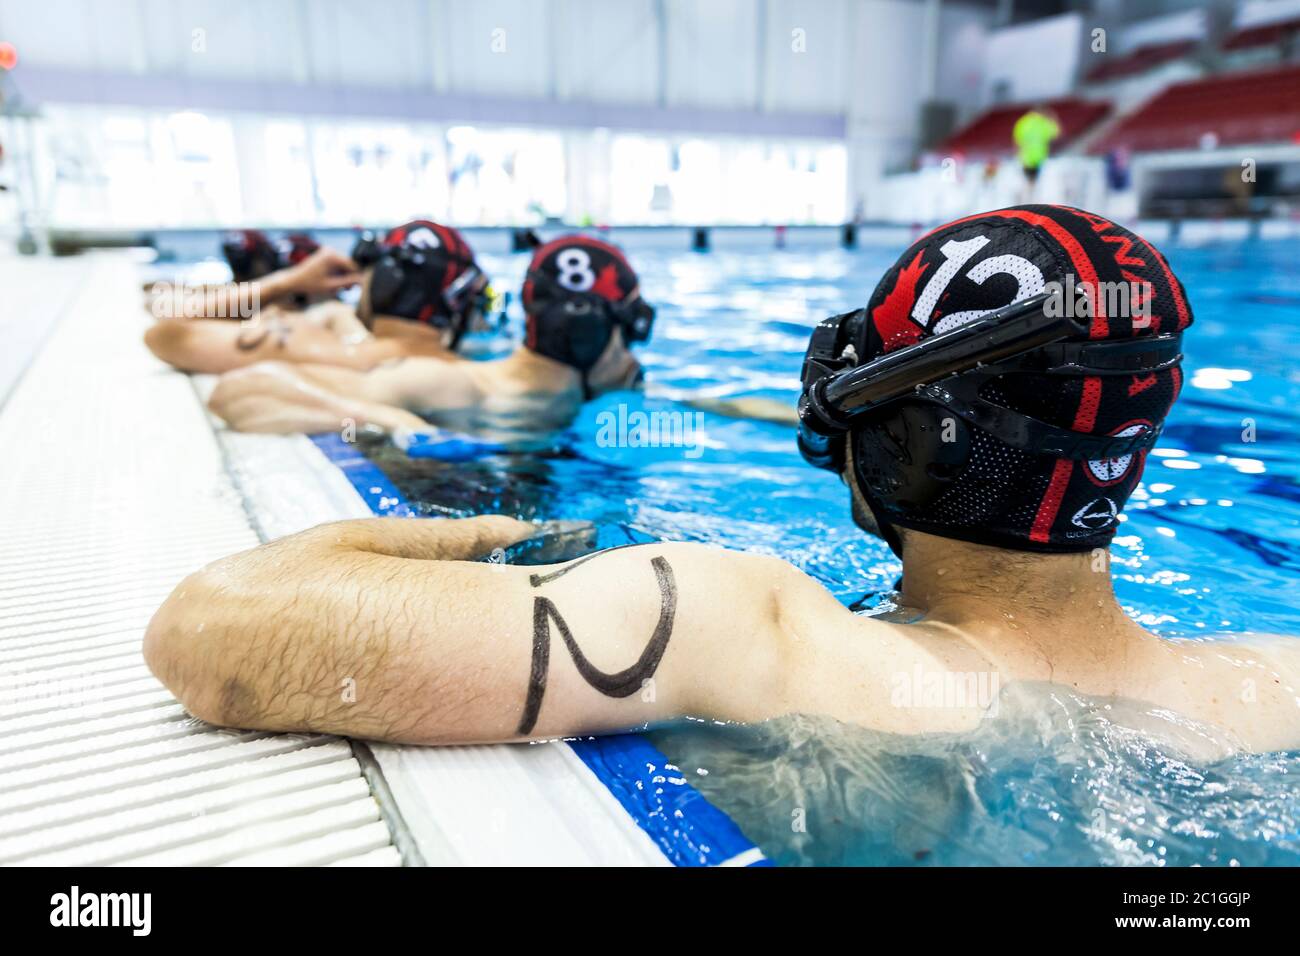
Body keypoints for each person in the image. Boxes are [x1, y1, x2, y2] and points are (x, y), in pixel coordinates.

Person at [143, 206, 1300, 756]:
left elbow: (212, 630)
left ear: (897, 443)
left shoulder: (739, 623)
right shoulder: (1276, 685)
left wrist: (479, 541)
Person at [204, 233, 653, 434]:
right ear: (594, 334)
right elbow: (239, 393)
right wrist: (394, 424)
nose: (634, 355)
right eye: (632, 334)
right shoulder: (456, 385)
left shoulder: (578, 397)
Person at [145, 221, 495, 374]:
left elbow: (167, 333)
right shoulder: (479, 376)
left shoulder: (327, 349)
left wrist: (287, 282)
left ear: (385, 282)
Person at [1013, 105, 1060, 197]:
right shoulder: (1044, 122)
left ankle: (1026, 201)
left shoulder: (1023, 122)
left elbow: (1017, 140)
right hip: (1040, 157)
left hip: (1026, 158)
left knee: (1027, 184)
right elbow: (1056, 133)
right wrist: (1053, 118)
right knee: (1037, 185)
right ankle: (1034, 200)